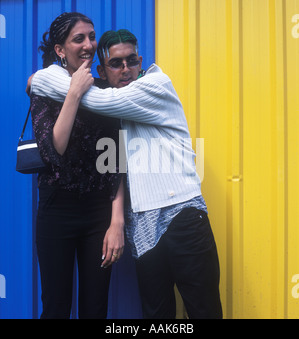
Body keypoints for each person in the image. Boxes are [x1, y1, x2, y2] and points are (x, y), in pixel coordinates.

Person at [29, 28, 222, 319]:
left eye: (132, 61)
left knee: (203, 310)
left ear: (141, 61)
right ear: (102, 72)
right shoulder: (111, 108)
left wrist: (37, 79)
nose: (126, 69)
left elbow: (92, 99)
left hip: (181, 214)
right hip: (141, 224)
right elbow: (112, 164)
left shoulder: (155, 84)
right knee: (157, 315)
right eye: (116, 64)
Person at [30, 13, 125, 319]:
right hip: (56, 210)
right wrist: (74, 91)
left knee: (95, 309)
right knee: (56, 307)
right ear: (60, 49)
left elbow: (116, 161)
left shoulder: (103, 93)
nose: (89, 44)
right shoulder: (44, 87)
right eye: (78, 38)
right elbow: (53, 149)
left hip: (98, 212)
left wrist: (116, 222)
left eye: (91, 36)